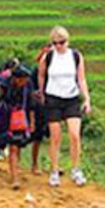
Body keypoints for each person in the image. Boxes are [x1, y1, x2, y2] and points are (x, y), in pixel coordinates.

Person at [39, 26, 91, 187]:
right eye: (55, 43)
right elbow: (41, 75)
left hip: (71, 98)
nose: (59, 46)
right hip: (53, 98)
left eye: (62, 42)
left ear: (67, 41)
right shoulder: (48, 57)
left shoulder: (75, 56)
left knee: (74, 135)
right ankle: (54, 170)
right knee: (56, 137)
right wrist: (42, 94)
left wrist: (87, 99)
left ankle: (76, 169)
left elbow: (81, 79)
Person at [0, 64, 36, 190]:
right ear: (16, 79)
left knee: (17, 146)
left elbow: (31, 105)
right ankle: (15, 177)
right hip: (6, 119)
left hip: (20, 119)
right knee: (13, 147)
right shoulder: (4, 86)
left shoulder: (27, 86)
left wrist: (31, 123)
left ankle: (14, 171)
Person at [30, 42, 53, 175]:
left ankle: (53, 164)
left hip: (52, 105)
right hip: (38, 108)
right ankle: (34, 164)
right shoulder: (36, 71)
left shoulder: (55, 71)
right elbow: (31, 91)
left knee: (54, 136)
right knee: (37, 138)